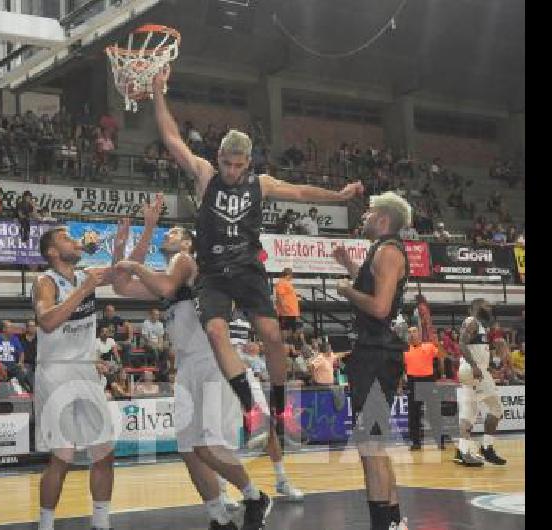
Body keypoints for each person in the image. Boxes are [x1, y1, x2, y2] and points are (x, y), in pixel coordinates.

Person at [151, 65, 364, 449]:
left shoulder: (260, 184)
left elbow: (300, 192)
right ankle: (253, 410)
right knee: (216, 332)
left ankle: (281, 409)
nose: (231, 171)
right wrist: (157, 91)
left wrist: (339, 197)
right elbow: (170, 137)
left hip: (248, 269)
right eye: (227, 163)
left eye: (238, 165)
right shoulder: (204, 174)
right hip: (213, 273)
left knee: (271, 335)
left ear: (248, 163)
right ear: (219, 157)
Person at [111, 202, 299, 530]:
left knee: (208, 448)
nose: (168, 236)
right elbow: (121, 285)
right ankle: (218, 515)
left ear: (187, 243)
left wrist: (132, 261)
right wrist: (134, 238)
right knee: (188, 450)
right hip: (187, 367)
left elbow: (163, 285)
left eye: (172, 232)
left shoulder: (185, 262)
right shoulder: (168, 272)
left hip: (213, 362)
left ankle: (255, 497)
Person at [332, 191, 413, 530]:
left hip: (377, 353)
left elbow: (380, 308)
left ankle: (383, 524)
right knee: (373, 444)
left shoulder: (389, 252)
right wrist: (350, 267)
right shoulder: (381, 252)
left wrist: (346, 290)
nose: (363, 216)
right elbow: (378, 289)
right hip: (376, 352)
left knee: (371, 445)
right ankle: (393, 521)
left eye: (368, 212)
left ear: (382, 219)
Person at [31, 226, 115, 530]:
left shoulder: (86, 274)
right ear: (52, 252)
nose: (73, 240)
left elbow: (121, 273)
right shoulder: (45, 281)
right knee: (62, 456)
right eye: (65, 238)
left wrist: (124, 237)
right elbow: (49, 321)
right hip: (56, 371)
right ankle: (46, 524)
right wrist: (84, 289)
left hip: (86, 372)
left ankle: (102, 523)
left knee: (104, 452)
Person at [454, 299, 508, 467]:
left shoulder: (481, 326)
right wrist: (475, 366)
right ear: (476, 308)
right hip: (473, 371)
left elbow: (477, 351)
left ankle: (463, 451)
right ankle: (485, 448)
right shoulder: (472, 321)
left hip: (476, 371)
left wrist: (489, 368)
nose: (489, 308)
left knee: (469, 412)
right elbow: (462, 343)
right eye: (486, 306)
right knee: (496, 408)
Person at [402, 327, 443, 451]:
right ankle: (416, 442)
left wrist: (438, 344)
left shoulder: (429, 346)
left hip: (428, 381)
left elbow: (442, 355)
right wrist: (399, 385)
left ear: (419, 334)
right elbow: (401, 367)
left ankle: (439, 441)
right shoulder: (404, 350)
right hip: (412, 382)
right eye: (409, 332)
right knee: (413, 414)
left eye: (414, 331)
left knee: (434, 413)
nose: (411, 334)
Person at [274, 267, 301, 343]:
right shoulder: (281, 282)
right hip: (286, 311)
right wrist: (284, 308)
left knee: (291, 329)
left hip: (291, 311)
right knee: (285, 328)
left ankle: (289, 345)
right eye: (291, 275)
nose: (292, 277)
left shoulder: (286, 283)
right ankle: (285, 344)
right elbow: (280, 295)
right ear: (288, 275)